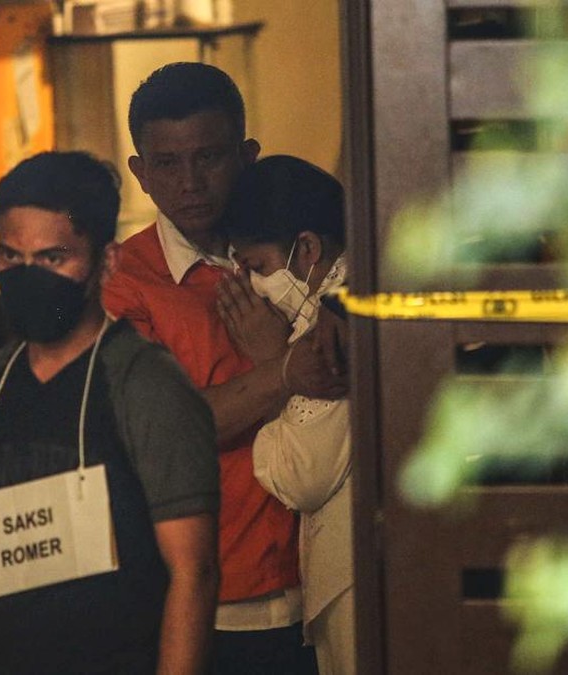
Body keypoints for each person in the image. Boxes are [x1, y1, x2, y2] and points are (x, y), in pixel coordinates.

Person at [0, 151, 221, 674]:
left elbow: (193, 574)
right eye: (11, 256)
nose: (28, 275)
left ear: (106, 262)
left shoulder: (145, 386)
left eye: (53, 258)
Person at [103, 62, 345, 674]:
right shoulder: (126, 281)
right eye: (167, 164)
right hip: (214, 596)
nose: (190, 183)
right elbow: (166, 430)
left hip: (327, 573)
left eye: (209, 158)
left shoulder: (299, 242)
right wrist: (286, 368)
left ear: (247, 154)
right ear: (140, 173)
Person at [220, 156, 355, 675]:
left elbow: (301, 476)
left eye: (257, 267)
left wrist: (275, 363)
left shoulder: (335, 320)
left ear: (308, 250)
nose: (252, 288)